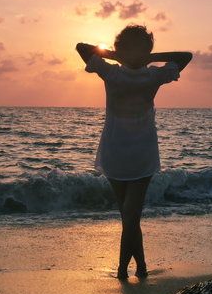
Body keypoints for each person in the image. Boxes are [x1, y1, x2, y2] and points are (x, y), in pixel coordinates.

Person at [76, 25, 192, 279]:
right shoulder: (114, 72)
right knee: (129, 217)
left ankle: (121, 270)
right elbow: (81, 48)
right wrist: (123, 56)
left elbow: (186, 57)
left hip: (141, 153)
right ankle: (140, 267)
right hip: (117, 152)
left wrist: (142, 58)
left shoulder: (148, 75)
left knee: (130, 216)